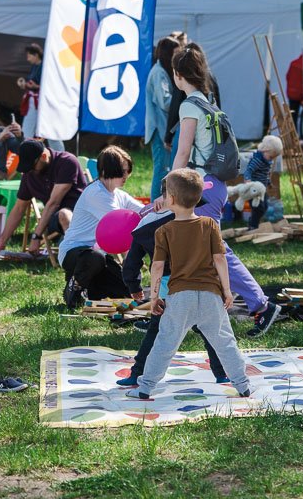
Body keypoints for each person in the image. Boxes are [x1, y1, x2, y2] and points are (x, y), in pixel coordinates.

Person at [170, 44, 281, 336]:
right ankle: (204, 313)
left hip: (200, 187)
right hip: (214, 185)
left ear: (178, 75)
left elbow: (183, 153)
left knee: (216, 251)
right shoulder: (209, 102)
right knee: (203, 251)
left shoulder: (189, 105)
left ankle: (260, 304)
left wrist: (168, 188)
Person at [125, 168, 252, 401]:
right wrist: (227, 291)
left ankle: (146, 388)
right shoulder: (210, 225)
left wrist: (154, 298)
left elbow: (157, 267)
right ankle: (243, 385)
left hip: (179, 297)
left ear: (170, 199)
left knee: (164, 344)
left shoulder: (163, 231)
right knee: (225, 342)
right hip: (211, 296)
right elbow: (220, 259)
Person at [117, 180, 230, 387]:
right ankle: (222, 372)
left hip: (166, 287)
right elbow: (216, 258)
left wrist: (134, 287)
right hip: (200, 284)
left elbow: (131, 263)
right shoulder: (198, 222)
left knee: (157, 331)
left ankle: (137, 373)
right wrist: (224, 288)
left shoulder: (145, 225)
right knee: (211, 329)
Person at [55, 145, 142, 304]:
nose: (126, 175)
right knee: (95, 258)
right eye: (122, 171)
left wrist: (160, 208)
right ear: (106, 170)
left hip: (99, 255)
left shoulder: (118, 194)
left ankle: (88, 287)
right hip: (75, 252)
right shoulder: (96, 193)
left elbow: (142, 211)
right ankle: (73, 289)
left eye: (127, 170)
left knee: (124, 293)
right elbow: (122, 224)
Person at [0, 139, 85, 259]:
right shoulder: (29, 174)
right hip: (54, 222)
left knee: (64, 214)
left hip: (82, 217)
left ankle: (79, 257)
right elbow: (19, 208)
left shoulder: (67, 162)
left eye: (32, 166)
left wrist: (36, 236)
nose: (30, 170)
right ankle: (72, 251)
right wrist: (1, 242)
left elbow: (54, 203)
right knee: (61, 215)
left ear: (44, 156)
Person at [145, 36, 179, 200]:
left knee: (164, 169)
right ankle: (154, 207)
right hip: (159, 129)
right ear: (168, 54)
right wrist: (183, 99)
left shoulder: (162, 71)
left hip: (162, 127)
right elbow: (165, 102)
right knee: (161, 170)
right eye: (175, 53)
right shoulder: (159, 73)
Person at [242, 135, 282, 229]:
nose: (271, 159)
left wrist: (269, 183)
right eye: (271, 156)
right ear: (265, 150)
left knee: (264, 206)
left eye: (273, 157)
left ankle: (255, 223)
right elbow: (248, 170)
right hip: (254, 190)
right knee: (258, 208)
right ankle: (252, 226)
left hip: (262, 190)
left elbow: (265, 174)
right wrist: (247, 180)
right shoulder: (257, 160)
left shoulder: (266, 161)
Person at [17, 42, 44, 139]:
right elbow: (32, 82)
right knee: (43, 130)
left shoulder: (45, 67)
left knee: (46, 130)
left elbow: (49, 86)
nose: (27, 58)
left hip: (41, 101)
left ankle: (26, 148)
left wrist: (36, 86)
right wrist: (25, 84)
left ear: (36, 55)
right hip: (34, 100)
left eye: (29, 56)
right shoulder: (34, 66)